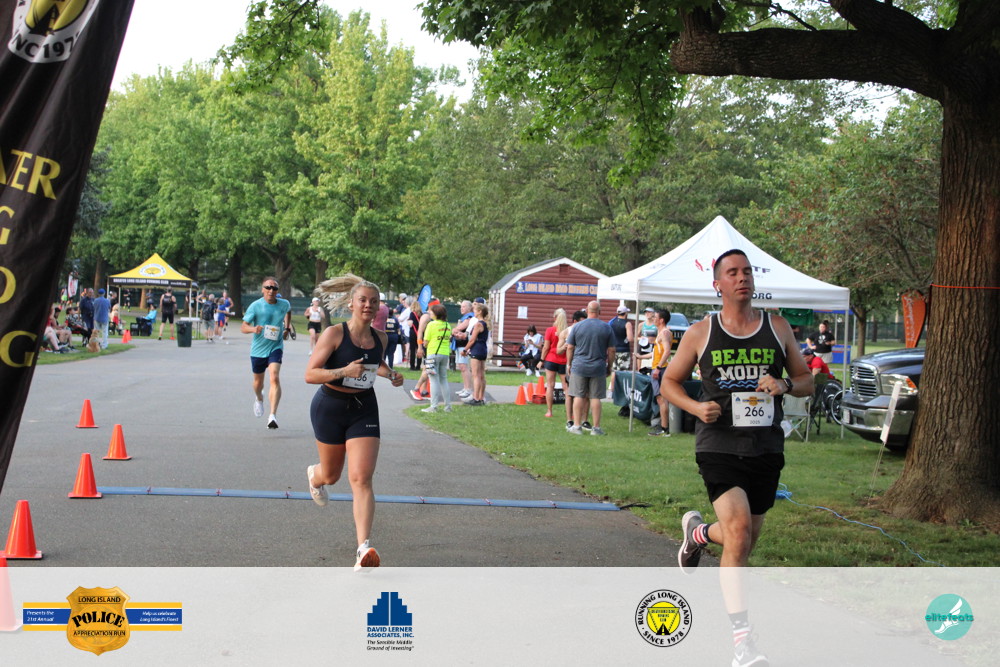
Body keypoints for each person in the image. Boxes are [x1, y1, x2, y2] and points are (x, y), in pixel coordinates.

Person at [661, 249, 812, 667]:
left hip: (765, 446)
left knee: (743, 541)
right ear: (718, 285)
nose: (742, 277)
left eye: (747, 271)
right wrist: (695, 408)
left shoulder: (777, 327)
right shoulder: (701, 332)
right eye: (733, 272)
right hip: (718, 444)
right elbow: (669, 382)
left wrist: (784, 385)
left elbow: (806, 381)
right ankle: (743, 643)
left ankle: (698, 534)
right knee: (740, 532)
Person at [304, 273, 404, 571]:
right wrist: (344, 371)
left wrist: (391, 374)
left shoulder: (381, 338)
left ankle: (363, 548)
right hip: (330, 406)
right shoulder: (334, 334)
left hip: (364, 408)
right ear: (351, 304)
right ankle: (315, 476)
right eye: (362, 300)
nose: (368, 305)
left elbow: (375, 363)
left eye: (374, 301)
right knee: (331, 475)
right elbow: (310, 374)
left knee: (361, 478)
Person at [241, 277, 292, 429]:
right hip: (258, 349)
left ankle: (272, 416)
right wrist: (253, 329)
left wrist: (287, 328)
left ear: (277, 291)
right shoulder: (255, 306)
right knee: (258, 383)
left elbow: (288, 311)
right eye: (268, 287)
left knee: (274, 377)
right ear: (262, 289)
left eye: (274, 288)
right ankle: (259, 398)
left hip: (275, 347)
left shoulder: (284, 304)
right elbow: (243, 327)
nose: (271, 290)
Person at [565, 301, 615, 436]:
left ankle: (577, 426)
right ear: (600, 311)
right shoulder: (607, 327)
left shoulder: (577, 326)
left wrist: (569, 364)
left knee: (578, 396)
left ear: (587, 311)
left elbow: (570, 347)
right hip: (598, 366)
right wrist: (609, 366)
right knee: (595, 397)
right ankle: (596, 428)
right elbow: (611, 350)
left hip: (579, 366)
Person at [645, 308, 674, 436]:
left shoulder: (665, 333)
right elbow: (658, 352)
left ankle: (664, 428)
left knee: (661, 399)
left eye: (655, 317)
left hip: (660, 369)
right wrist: (640, 356)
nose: (653, 319)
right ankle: (664, 427)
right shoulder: (661, 332)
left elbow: (667, 351)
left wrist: (658, 367)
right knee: (660, 399)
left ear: (661, 320)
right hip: (658, 367)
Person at [558, 309, 588, 430]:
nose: (584, 324)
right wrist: (564, 346)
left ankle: (584, 421)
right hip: (570, 366)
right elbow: (558, 350)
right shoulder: (566, 332)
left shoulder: (587, 331)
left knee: (585, 394)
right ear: (575, 321)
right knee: (570, 394)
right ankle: (569, 420)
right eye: (582, 321)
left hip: (583, 364)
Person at [420, 304, 453, 413]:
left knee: (433, 380)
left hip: (433, 353)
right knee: (443, 379)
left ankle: (433, 406)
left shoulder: (431, 324)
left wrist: (424, 345)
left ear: (436, 314)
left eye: (431, 311)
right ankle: (448, 406)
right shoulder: (448, 325)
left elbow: (426, 341)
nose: (429, 313)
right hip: (445, 353)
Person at [540, 308, 569, 421]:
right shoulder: (568, 331)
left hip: (551, 359)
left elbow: (546, 347)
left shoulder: (550, 330)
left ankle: (549, 411)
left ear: (555, 318)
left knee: (550, 386)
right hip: (564, 360)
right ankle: (570, 413)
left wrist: (541, 360)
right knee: (566, 387)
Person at [461, 302, 490, 406]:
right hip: (483, 349)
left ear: (480, 312)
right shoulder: (485, 324)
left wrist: (465, 350)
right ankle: (481, 397)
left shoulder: (478, 324)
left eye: (475, 310)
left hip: (476, 349)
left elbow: (472, 340)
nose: (473, 312)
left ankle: (476, 397)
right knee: (481, 375)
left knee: (476, 375)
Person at [451, 300, 475, 398]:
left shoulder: (469, 317)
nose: (462, 308)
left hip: (464, 345)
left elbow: (458, 329)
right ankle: (465, 387)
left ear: (469, 308)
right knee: (461, 366)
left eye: (464, 306)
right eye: (461, 306)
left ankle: (468, 389)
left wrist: (455, 330)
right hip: (459, 344)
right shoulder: (464, 317)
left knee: (464, 367)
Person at [609, 304, 635, 371]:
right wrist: (637, 339)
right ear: (625, 313)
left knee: (614, 371)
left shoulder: (612, 322)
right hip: (624, 350)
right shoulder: (627, 323)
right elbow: (630, 339)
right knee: (623, 372)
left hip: (614, 350)